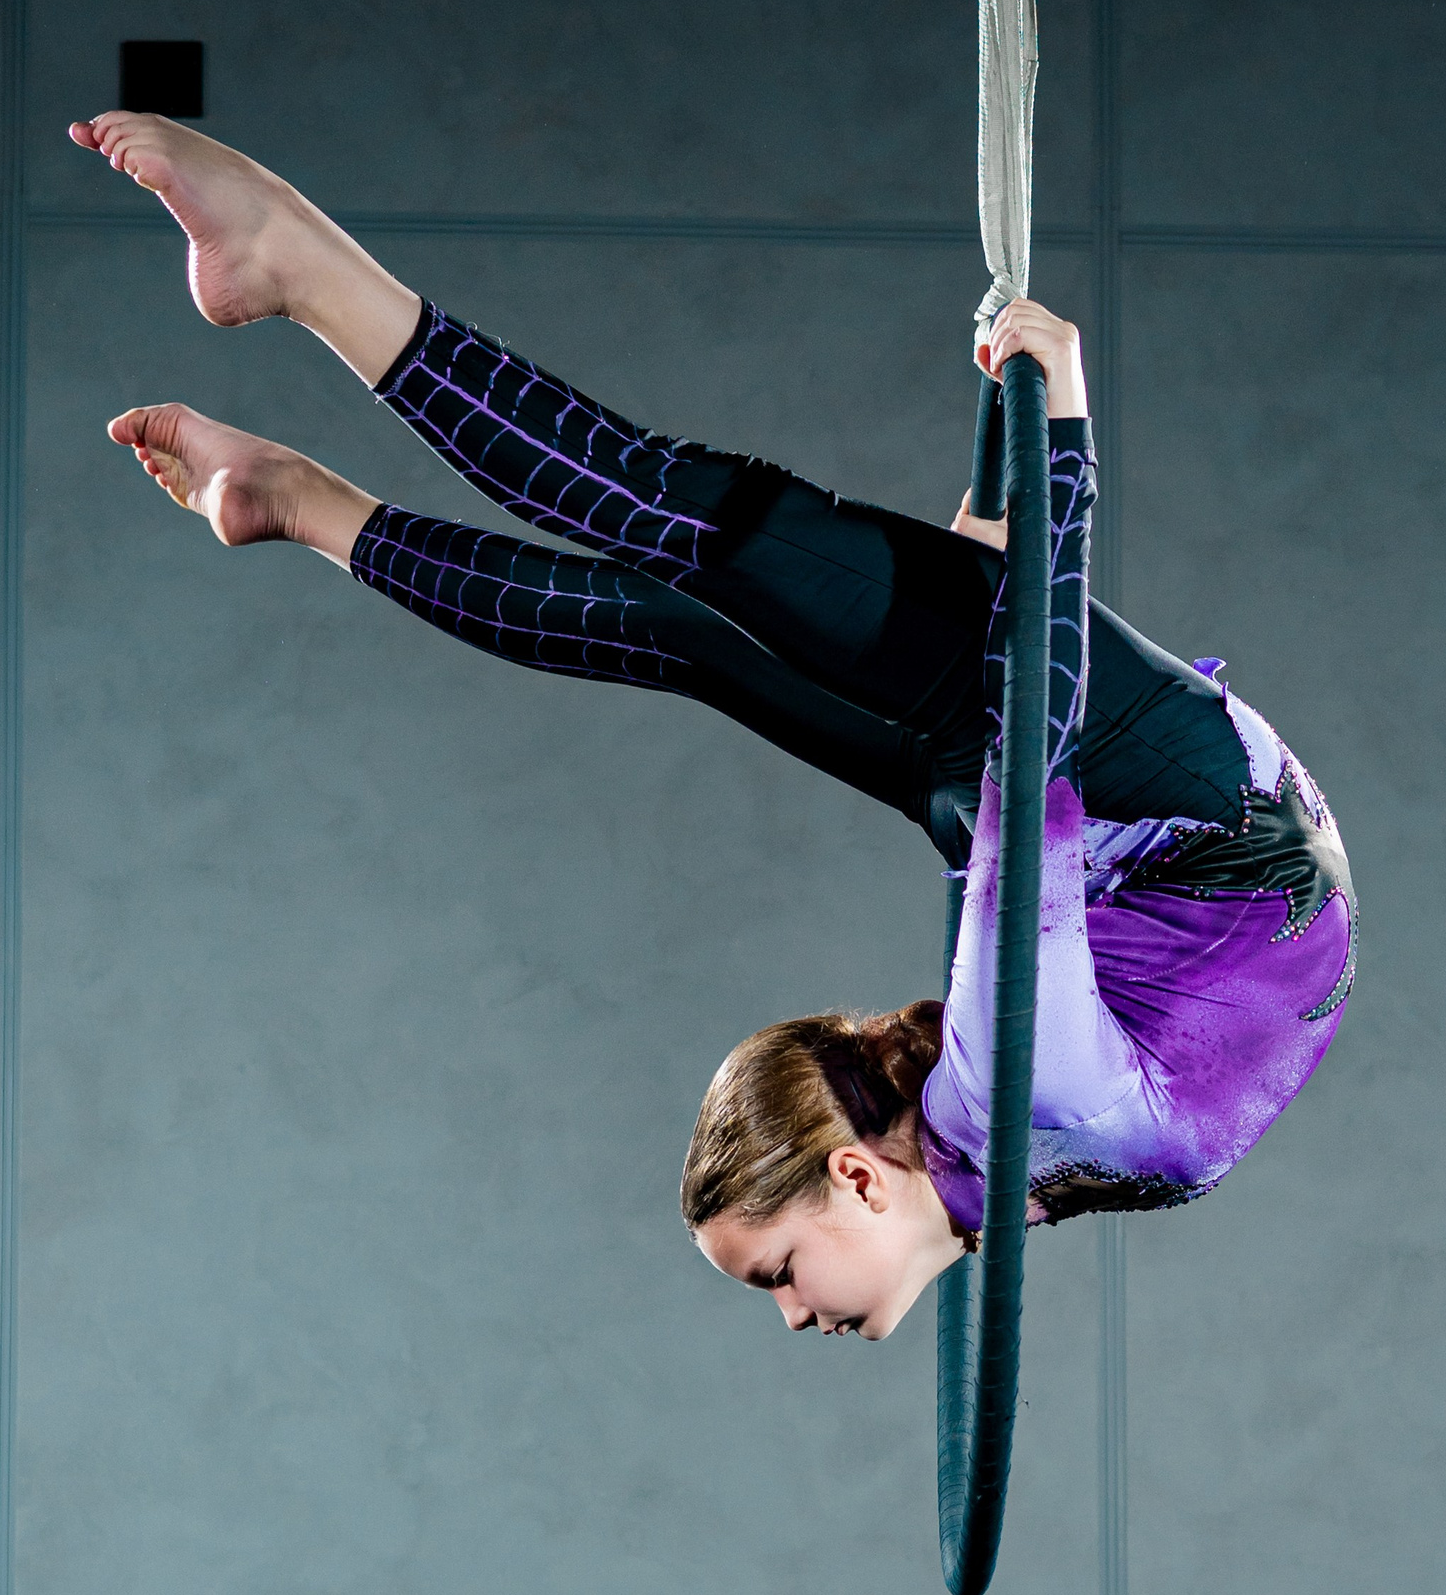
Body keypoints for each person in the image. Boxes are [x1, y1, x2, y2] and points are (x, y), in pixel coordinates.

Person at [71, 111, 1357, 1343]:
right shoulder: (1014, 1101)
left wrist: (1001, 501)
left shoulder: (977, 1135)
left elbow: (1027, 778)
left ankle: (297, 503)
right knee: (671, 516)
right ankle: (292, 272)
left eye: (776, 1284)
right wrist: (1060, 437)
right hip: (1155, 794)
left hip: (1084, 809)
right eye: (777, 1278)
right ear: (858, 1181)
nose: (796, 1314)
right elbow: (1035, 710)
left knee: (685, 635)